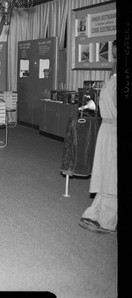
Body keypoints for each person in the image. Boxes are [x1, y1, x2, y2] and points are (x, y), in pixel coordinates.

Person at [79, 40, 117, 233]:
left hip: (111, 130)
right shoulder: (114, 80)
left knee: (110, 174)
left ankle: (102, 217)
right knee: (108, 174)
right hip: (110, 130)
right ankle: (100, 215)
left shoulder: (114, 80)